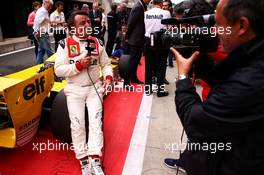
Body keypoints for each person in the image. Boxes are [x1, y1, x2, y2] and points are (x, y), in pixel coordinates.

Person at [171, 0, 264, 174]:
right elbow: (226, 81)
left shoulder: (251, 81)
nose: (214, 32)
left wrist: (182, 77)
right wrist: (201, 61)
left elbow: (195, 121)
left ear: (242, 25)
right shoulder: (252, 57)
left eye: (219, 25)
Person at [54, 10, 113, 175]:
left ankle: (95, 158)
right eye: (82, 23)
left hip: (95, 88)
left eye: (88, 22)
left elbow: (106, 64)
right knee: (77, 125)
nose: (87, 25)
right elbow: (58, 70)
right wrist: (78, 66)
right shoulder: (64, 44)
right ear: (73, 27)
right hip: (74, 90)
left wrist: (108, 78)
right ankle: (83, 160)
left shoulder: (97, 42)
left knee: (96, 123)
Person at [144, 0, 171, 97]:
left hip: (148, 40)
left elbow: (144, 27)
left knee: (148, 66)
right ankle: (160, 90)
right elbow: (169, 27)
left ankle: (148, 89)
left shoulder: (146, 13)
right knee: (161, 66)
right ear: (160, 3)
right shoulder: (166, 13)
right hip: (161, 41)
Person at [125, 0, 152, 89]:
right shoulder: (138, 7)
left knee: (136, 61)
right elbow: (131, 23)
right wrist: (127, 36)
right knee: (132, 61)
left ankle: (133, 77)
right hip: (135, 38)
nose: (150, 1)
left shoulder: (142, 6)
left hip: (139, 38)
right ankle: (126, 82)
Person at [33, 0, 54, 64]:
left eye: (51, 6)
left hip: (42, 32)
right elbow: (38, 23)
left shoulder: (43, 11)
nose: (50, 7)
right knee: (49, 50)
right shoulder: (42, 11)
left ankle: (39, 65)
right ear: (45, 3)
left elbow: (43, 22)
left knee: (41, 50)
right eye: (49, 5)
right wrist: (38, 32)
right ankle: (53, 64)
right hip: (42, 33)